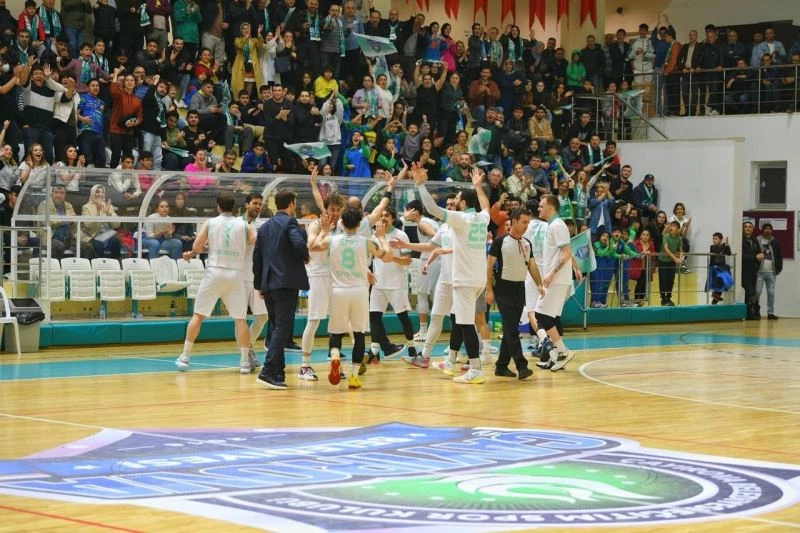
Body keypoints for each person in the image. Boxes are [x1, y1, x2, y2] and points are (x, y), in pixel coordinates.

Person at [414, 163, 491, 384]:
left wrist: (421, 185)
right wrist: (477, 186)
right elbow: (486, 206)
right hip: (477, 279)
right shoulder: (481, 219)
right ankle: (452, 361)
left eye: (457, 198)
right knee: (460, 320)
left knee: (466, 324)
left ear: (463, 203)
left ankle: (475, 369)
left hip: (465, 280)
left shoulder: (462, 219)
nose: (455, 200)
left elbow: (433, 209)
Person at [308, 207, 392, 389]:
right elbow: (385, 255)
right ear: (360, 224)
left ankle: (336, 356)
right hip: (360, 292)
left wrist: (323, 230)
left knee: (336, 332)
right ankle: (354, 377)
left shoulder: (332, 240)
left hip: (338, 290)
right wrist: (382, 236)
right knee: (359, 334)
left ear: (341, 223)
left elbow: (312, 247)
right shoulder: (367, 242)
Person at [175, 193, 256, 372]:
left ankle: (185, 357)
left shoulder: (210, 223)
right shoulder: (244, 225)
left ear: (218, 206)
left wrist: (193, 253)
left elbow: (196, 247)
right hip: (236, 274)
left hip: (214, 272)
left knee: (198, 315)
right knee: (240, 320)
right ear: (234, 208)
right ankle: (244, 362)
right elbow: (255, 242)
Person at [253, 188, 310, 390]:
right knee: (282, 329)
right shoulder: (290, 222)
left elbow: (257, 258)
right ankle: (268, 371)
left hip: (269, 284)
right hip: (286, 282)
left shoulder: (265, 227)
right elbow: (298, 243)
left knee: (277, 327)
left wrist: (259, 284)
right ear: (292, 204)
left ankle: (278, 372)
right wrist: (305, 255)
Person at [486, 207, 542, 380]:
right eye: (523, 222)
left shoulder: (527, 243)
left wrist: (540, 284)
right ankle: (521, 365)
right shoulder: (500, 241)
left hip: (520, 288)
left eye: (528, 222)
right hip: (503, 288)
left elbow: (531, 265)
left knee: (511, 328)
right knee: (511, 329)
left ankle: (501, 366)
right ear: (515, 221)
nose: (526, 226)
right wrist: (489, 288)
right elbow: (489, 265)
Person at [533, 194, 581, 371]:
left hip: (557, 280)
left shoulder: (558, 226)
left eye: (541, 206)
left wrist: (551, 274)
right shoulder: (552, 225)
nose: (538, 208)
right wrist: (575, 267)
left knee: (542, 315)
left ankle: (563, 351)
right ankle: (556, 355)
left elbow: (566, 253)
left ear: (550, 207)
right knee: (545, 316)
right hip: (555, 279)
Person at [240, 193, 270, 370]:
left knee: (263, 316)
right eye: (255, 203)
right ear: (246, 205)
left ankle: (248, 346)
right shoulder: (237, 224)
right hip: (239, 277)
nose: (258, 206)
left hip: (256, 277)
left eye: (260, 204)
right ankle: (245, 357)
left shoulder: (262, 226)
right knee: (240, 319)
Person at [755, 222, 782, 320]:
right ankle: (756, 311)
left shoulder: (775, 241)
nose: (767, 230)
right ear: (762, 230)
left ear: (772, 230)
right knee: (757, 292)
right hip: (759, 272)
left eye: (769, 228)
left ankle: (770, 313)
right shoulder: (757, 240)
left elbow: (779, 256)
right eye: (765, 228)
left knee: (771, 293)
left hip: (771, 272)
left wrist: (778, 269)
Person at [658, 221, 683, 306]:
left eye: (674, 226)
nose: (672, 227)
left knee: (671, 280)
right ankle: (663, 297)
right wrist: (675, 258)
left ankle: (668, 297)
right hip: (663, 261)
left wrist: (679, 259)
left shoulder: (679, 238)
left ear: (678, 229)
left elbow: (681, 250)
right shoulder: (666, 236)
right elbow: (666, 249)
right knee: (663, 279)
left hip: (672, 262)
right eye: (671, 226)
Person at [741, 221, 762, 320]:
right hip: (744, 270)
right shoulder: (741, 241)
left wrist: (758, 261)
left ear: (753, 229)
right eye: (745, 227)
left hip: (754, 270)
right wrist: (755, 257)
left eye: (750, 227)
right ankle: (752, 312)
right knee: (750, 292)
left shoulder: (755, 240)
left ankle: (749, 313)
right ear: (742, 229)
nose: (748, 228)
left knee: (752, 293)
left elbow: (759, 254)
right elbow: (742, 256)